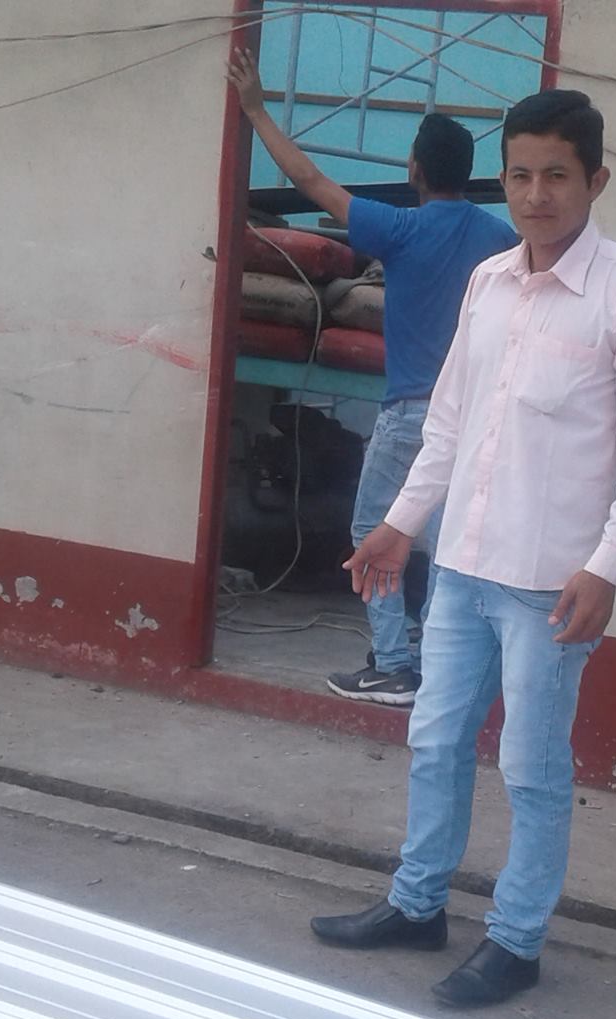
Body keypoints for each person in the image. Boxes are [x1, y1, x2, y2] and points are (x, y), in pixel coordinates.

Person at [312, 89, 616, 1008]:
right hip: (463, 568)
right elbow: (450, 420)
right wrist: (401, 523)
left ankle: (517, 940)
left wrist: (607, 567)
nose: (536, 195)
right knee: (435, 738)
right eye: (520, 175)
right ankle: (418, 903)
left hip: (550, 585)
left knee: (531, 766)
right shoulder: (488, 281)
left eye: (557, 175)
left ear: (596, 180)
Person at [228, 49, 516, 707]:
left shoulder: (399, 229)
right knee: (444, 544)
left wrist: (256, 110)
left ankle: (393, 664)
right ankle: (438, 663)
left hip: (411, 414)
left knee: (373, 534)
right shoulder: (500, 239)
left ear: (415, 170)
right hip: (472, 419)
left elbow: (309, 180)